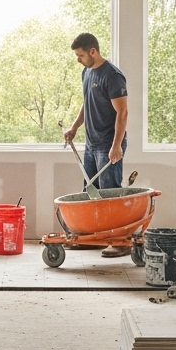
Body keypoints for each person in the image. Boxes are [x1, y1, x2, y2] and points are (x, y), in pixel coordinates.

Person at [63, 32, 131, 258]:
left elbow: (123, 112)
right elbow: (87, 103)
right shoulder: (87, 71)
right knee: (90, 194)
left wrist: (116, 146)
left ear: (93, 51)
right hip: (91, 145)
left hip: (108, 145)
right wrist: (74, 127)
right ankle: (92, 239)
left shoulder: (112, 76)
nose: (78, 59)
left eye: (80, 55)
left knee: (110, 194)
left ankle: (120, 242)